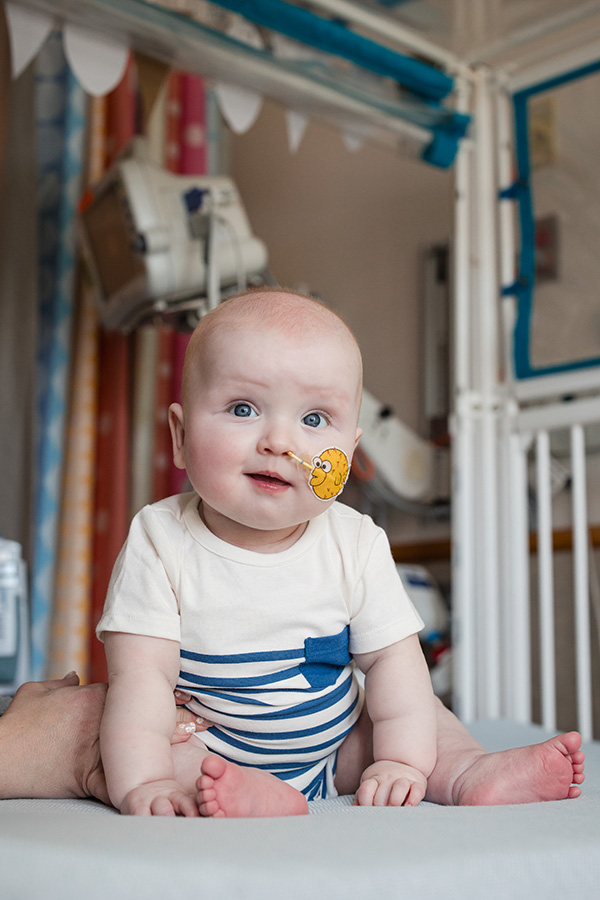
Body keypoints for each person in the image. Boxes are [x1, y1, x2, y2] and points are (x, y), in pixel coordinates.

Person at [97, 288, 585, 818]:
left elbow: (394, 662)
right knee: (165, 749)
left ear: (348, 454)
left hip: (338, 749)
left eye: (312, 420)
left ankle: (470, 772)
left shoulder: (355, 541)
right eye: (243, 408)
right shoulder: (159, 538)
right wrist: (143, 783)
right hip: (215, 748)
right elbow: (141, 678)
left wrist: (401, 762)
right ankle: (253, 796)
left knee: (421, 711)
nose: (280, 441)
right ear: (181, 434)